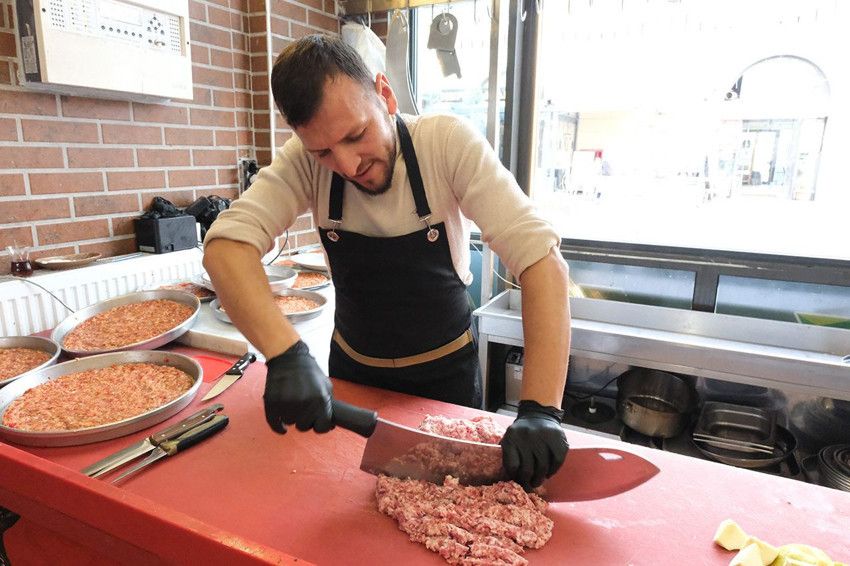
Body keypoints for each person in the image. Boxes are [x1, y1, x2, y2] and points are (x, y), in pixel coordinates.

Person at [203, 35, 572, 489]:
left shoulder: (445, 144)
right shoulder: (303, 163)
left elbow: (541, 262)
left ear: (385, 95)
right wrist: (286, 354)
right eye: (323, 151)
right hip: (354, 379)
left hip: (446, 381)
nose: (347, 164)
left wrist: (540, 409)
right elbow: (226, 247)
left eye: (355, 135)